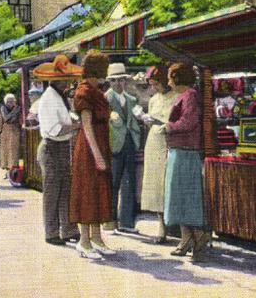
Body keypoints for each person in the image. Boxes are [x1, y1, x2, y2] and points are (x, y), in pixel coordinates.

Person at [33, 55, 83, 246]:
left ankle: (67, 229)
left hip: (61, 146)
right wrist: (76, 126)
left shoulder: (60, 97)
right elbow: (56, 128)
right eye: (64, 80)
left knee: (65, 189)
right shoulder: (49, 99)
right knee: (53, 192)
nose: (67, 83)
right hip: (51, 146)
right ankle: (51, 231)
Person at [70, 50, 115, 260]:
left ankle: (97, 238)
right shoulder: (84, 92)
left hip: (100, 144)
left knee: (98, 191)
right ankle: (84, 240)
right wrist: (97, 156)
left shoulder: (97, 91)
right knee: (88, 192)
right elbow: (86, 127)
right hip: (89, 148)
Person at [163, 63, 210, 262]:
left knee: (184, 197)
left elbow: (189, 122)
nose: (168, 81)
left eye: (170, 77)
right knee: (178, 197)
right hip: (180, 151)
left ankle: (197, 236)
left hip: (185, 152)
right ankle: (186, 238)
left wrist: (168, 127)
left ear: (177, 78)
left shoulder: (189, 95)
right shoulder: (187, 95)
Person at [140, 65, 179, 244]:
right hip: (154, 141)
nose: (154, 88)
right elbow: (151, 120)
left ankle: (175, 226)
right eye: (152, 85)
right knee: (156, 185)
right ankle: (161, 227)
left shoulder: (176, 97)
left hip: (169, 141)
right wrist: (146, 119)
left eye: (157, 84)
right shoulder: (154, 99)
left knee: (169, 183)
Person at [104, 62, 141, 234]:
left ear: (125, 81)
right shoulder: (106, 99)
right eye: (114, 81)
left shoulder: (132, 100)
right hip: (113, 145)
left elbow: (135, 121)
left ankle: (126, 222)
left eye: (121, 80)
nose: (118, 84)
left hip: (130, 144)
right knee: (112, 183)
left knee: (129, 182)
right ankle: (110, 221)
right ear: (109, 82)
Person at [0, 94, 22, 179]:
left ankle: (13, 172)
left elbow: (20, 121)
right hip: (5, 132)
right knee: (5, 153)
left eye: (12, 101)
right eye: (8, 101)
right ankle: (7, 172)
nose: (10, 103)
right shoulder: (2, 109)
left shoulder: (18, 109)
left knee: (14, 153)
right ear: (5, 102)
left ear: (15, 101)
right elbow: (2, 119)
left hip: (15, 131)